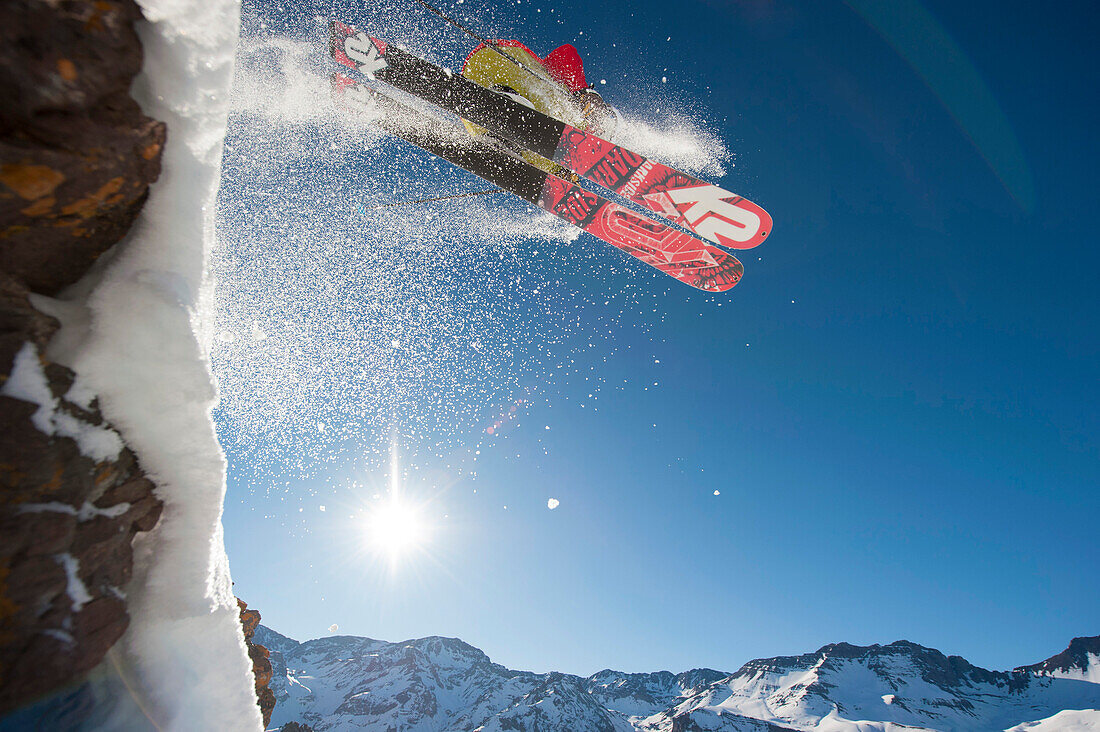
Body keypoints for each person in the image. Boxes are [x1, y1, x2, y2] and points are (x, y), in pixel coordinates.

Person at [461, 40, 618, 159]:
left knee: (523, 143)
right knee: (529, 119)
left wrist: (561, 177)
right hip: (499, 60)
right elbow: (566, 52)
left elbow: (540, 171)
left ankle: (502, 138)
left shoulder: (557, 150)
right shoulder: (573, 111)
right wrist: (581, 90)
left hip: (474, 107)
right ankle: (508, 111)